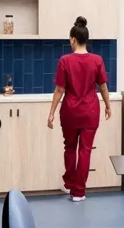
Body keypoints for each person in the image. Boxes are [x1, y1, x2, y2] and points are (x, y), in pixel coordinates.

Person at [46, 16, 110, 203]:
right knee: (85, 150)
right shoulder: (97, 60)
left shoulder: (65, 60)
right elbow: (103, 86)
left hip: (70, 112)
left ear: (73, 39)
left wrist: (51, 112)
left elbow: (59, 89)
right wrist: (107, 105)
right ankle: (79, 192)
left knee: (70, 147)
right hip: (90, 111)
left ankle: (69, 183)